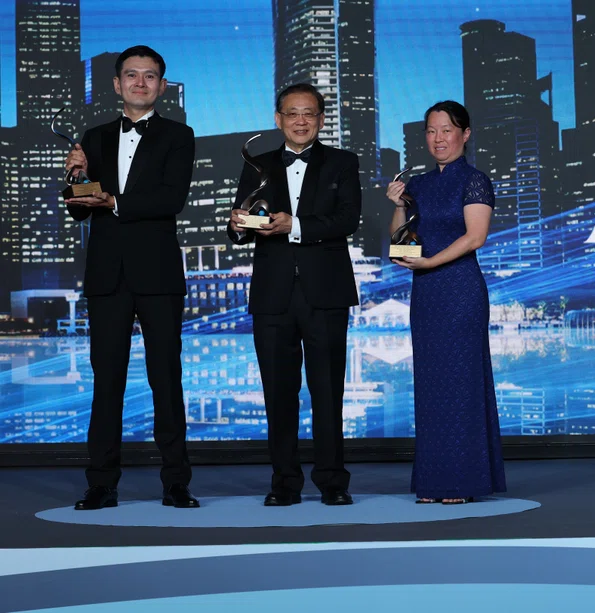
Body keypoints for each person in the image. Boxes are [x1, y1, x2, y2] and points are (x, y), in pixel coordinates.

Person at [65, 45, 198, 510]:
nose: (140, 83)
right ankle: (101, 483)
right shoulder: (94, 136)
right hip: (106, 275)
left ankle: (176, 483)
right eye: (131, 75)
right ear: (117, 84)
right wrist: (78, 178)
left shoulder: (179, 136)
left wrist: (112, 201)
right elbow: (81, 209)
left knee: (167, 377)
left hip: (158, 273)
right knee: (107, 382)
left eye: (150, 76)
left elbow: (170, 199)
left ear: (161, 85)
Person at [228, 83, 361, 507]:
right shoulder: (258, 164)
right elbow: (240, 229)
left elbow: (347, 219)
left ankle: (332, 482)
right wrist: (235, 225)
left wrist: (295, 226)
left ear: (321, 120)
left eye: (309, 113)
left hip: (326, 291)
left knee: (328, 392)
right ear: (278, 118)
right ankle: (284, 482)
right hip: (272, 294)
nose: (300, 120)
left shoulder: (343, 162)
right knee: (277, 394)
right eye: (292, 113)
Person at [386, 101, 506, 504]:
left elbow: (476, 237)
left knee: (461, 383)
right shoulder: (417, 184)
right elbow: (399, 240)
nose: (438, 139)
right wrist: (399, 204)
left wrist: (431, 262)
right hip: (426, 292)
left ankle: (462, 481)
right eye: (431, 131)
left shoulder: (475, 181)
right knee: (431, 383)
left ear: (465, 134)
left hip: (459, 289)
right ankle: (434, 481)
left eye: (447, 130)